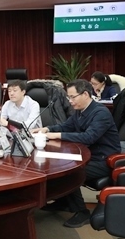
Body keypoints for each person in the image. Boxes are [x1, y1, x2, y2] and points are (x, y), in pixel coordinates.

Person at [33, 79, 120, 228]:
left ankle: (82, 212)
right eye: (69, 97)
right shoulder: (80, 111)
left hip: (103, 160)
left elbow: (88, 137)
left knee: (69, 172)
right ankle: (64, 201)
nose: (70, 101)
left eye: (73, 97)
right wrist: (47, 129)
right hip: (87, 155)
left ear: (85, 94)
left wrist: (55, 135)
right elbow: (66, 126)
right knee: (57, 167)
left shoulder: (101, 113)